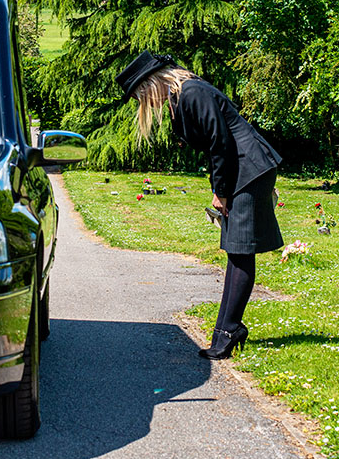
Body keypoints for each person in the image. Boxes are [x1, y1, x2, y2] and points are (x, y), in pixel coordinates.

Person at [116, 51, 283, 359]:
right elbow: (215, 145)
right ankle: (226, 330)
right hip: (243, 168)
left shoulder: (192, 93)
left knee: (241, 251)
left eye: (141, 94)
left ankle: (229, 330)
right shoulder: (184, 96)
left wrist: (220, 192)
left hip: (248, 167)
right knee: (236, 251)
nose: (144, 102)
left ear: (152, 82)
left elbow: (221, 143)